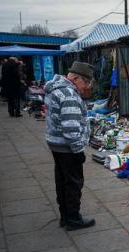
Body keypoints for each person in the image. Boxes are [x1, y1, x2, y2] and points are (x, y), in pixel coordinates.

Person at [44, 61, 95, 230]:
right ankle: (73, 219)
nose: (85, 87)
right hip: (67, 147)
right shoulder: (69, 94)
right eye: (85, 83)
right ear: (76, 78)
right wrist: (78, 150)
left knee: (62, 181)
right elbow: (71, 127)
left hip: (56, 144)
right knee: (73, 183)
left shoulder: (56, 89)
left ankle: (65, 217)